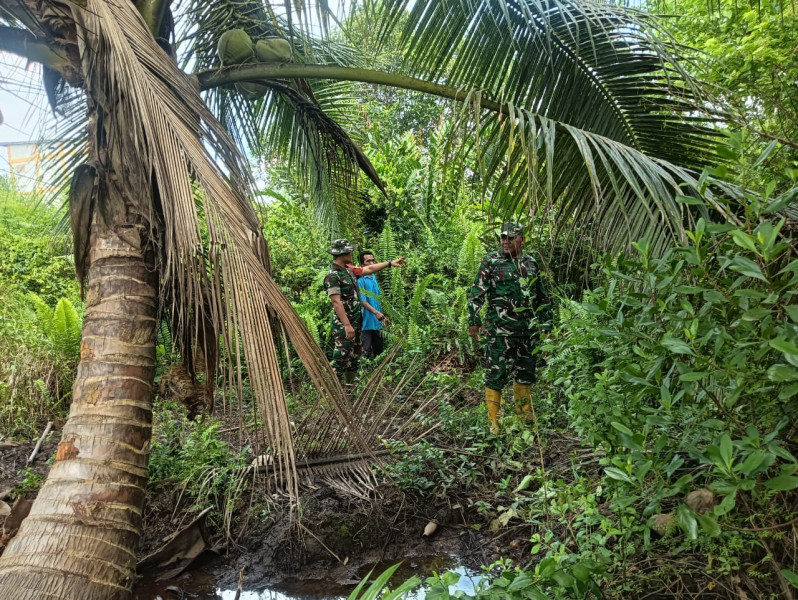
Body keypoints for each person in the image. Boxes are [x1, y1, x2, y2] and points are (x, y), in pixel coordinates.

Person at [466, 222, 552, 434]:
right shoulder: (491, 261)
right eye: (503, 237)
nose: (505, 241)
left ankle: (524, 416)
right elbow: (477, 292)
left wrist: (546, 322)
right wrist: (473, 320)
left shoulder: (530, 263)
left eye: (511, 238)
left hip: (526, 332)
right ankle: (493, 422)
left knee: (525, 373)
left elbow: (541, 295)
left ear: (521, 239)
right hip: (499, 331)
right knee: (495, 374)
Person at [323, 239, 405, 385]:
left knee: (354, 358)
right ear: (342, 254)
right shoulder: (333, 276)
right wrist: (347, 325)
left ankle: (350, 390)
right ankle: (334, 393)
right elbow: (336, 302)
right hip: (344, 325)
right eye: (350, 251)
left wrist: (389, 263)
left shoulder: (349, 270)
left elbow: (368, 270)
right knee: (341, 359)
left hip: (356, 322)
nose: (352, 253)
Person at [358, 250, 386, 358]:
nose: (372, 263)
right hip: (367, 322)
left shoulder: (373, 277)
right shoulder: (360, 280)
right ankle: (363, 374)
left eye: (373, 260)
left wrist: (381, 314)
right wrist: (376, 312)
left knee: (379, 350)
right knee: (365, 351)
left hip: (378, 321)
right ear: (362, 265)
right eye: (368, 261)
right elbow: (363, 301)